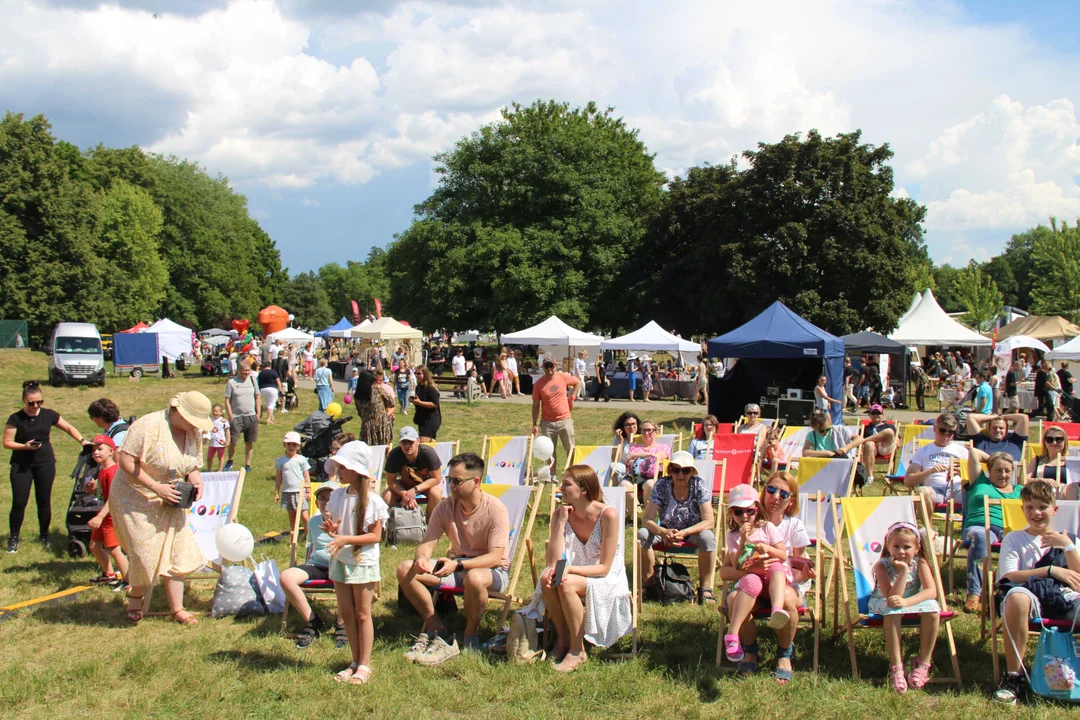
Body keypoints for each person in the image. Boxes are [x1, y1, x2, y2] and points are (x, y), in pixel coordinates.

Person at [396, 453, 510, 664]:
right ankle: (436, 629)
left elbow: (495, 557)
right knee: (405, 568)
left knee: (474, 578)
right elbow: (427, 542)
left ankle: (470, 635)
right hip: (456, 567)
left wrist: (458, 564)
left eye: (456, 481)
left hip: (491, 571)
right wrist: (422, 558)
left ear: (475, 482)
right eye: (449, 480)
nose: (451, 486)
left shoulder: (495, 509)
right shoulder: (445, 506)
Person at [112, 391, 213, 625]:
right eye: (191, 419)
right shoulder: (146, 425)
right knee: (143, 551)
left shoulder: (193, 433)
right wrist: (156, 487)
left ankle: (177, 608)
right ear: (176, 411)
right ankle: (135, 598)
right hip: (135, 495)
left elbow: (192, 466)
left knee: (176, 549)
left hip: (171, 495)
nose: (193, 426)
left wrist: (196, 481)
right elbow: (125, 462)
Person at [520, 464, 631, 672]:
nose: (560, 487)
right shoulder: (561, 514)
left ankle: (576, 650)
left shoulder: (608, 515)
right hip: (574, 571)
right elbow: (553, 561)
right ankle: (563, 638)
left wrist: (570, 571)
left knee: (566, 583)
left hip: (605, 576)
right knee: (547, 577)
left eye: (566, 484)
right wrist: (561, 522)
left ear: (584, 490)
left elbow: (605, 568)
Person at [992, 480, 1080, 704]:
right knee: (1017, 597)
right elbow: (1007, 577)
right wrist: (1051, 570)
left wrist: (1068, 546)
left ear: (1055, 509)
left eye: (1042, 507)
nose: (1036, 513)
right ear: (1022, 510)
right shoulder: (1014, 539)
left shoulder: (1069, 539)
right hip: (1029, 597)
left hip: (1063, 599)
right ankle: (1014, 677)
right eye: (1029, 507)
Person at [723, 472, 810, 682]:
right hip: (752, 582)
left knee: (787, 598)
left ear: (791, 501)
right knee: (734, 599)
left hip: (784, 583)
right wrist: (751, 568)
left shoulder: (789, 526)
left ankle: (784, 654)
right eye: (771, 489)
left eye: (783, 493)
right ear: (763, 494)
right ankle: (749, 649)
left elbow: (795, 561)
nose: (776, 496)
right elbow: (726, 570)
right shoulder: (738, 532)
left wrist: (804, 568)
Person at [323, 441, 388, 685]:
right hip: (341, 559)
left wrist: (345, 538)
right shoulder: (339, 495)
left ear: (357, 471)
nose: (339, 472)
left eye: (344, 468)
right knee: (346, 613)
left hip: (362, 561)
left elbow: (375, 536)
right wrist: (333, 530)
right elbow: (339, 527)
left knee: (363, 613)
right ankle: (354, 659)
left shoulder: (371, 500)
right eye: (338, 467)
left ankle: (365, 663)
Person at [4, 380, 89, 553]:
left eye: (39, 402)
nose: (35, 406)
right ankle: (13, 538)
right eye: (31, 403)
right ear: (24, 401)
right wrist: (24, 447)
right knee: (19, 501)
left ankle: (44, 535)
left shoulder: (48, 415)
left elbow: (67, 427)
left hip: (45, 463)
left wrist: (82, 440)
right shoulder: (15, 418)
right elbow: (7, 442)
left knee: (43, 500)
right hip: (22, 465)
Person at [868, 521, 942, 694]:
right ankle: (896, 667)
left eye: (907, 547)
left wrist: (908, 603)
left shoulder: (920, 563)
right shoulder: (881, 566)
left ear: (916, 549)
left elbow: (932, 591)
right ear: (888, 546)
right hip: (885, 601)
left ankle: (924, 662)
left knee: (933, 609)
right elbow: (892, 597)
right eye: (896, 546)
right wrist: (902, 572)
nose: (901, 551)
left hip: (910, 601)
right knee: (893, 610)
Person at [721, 484, 792, 662]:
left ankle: (776, 609)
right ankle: (733, 634)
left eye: (749, 511)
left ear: (757, 509)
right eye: (738, 512)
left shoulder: (767, 528)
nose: (745, 516)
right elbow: (737, 565)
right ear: (731, 513)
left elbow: (783, 555)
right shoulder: (733, 536)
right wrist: (743, 541)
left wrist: (768, 548)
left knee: (777, 567)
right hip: (751, 582)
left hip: (771, 579)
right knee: (751, 579)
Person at [638, 451, 717, 603]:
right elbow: (646, 519)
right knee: (642, 534)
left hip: (692, 532)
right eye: (676, 469)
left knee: (708, 537)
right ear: (670, 470)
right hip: (665, 532)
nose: (681, 474)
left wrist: (685, 532)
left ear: (692, 471)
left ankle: (705, 588)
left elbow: (709, 521)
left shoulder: (699, 485)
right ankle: (650, 585)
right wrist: (663, 532)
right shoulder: (661, 485)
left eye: (686, 470)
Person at [281, 482, 345, 649]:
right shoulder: (312, 522)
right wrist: (306, 563)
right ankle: (312, 621)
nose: (326, 502)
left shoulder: (345, 522)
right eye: (322, 499)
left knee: (341, 575)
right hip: (317, 565)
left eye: (330, 499)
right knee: (286, 577)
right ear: (316, 503)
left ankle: (342, 623)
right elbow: (311, 546)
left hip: (339, 564)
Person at [962, 450, 1022, 613]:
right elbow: (973, 452)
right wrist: (996, 458)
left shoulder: (1019, 491)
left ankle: (1008, 589)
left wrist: (1000, 461)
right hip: (980, 527)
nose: (1003, 474)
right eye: (998, 470)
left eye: (1008, 470)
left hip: (1009, 530)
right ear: (989, 470)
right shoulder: (980, 481)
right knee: (982, 536)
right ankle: (974, 594)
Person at [904, 413, 969, 518]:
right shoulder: (923, 451)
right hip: (933, 490)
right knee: (922, 492)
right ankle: (928, 531)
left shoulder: (962, 452)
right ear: (935, 429)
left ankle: (970, 528)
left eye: (951, 432)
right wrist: (930, 471)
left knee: (977, 493)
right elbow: (908, 480)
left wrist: (962, 472)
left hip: (956, 489)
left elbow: (974, 478)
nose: (946, 436)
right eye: (942, 431)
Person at [84, 434, 128, 589]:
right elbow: (103, 493)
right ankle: (109, 574)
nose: (96, 452)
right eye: (94, 450)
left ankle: (129, 581)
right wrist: (92, 489)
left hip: (110, 516)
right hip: (102, 515)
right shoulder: (102, 470)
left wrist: (101, 516)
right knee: (94, 546)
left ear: (111, 451)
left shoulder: (113, 471)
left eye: (100, 449)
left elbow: (114, 497)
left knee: (114, 550)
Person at [383, 426, 444, 522]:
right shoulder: (394, 455)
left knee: (435, 494)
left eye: (411, 442)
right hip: (407, 483)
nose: (407, 446)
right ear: (400, 443)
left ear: (418, 441)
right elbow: (391, 481)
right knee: (387, 496)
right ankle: (400, 525)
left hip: (428, 483)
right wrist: (406, 494)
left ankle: (430, 526)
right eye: (404, 442)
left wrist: (415, 490)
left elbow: (437, 478)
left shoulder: (428, 453)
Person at [531, 358, 580, 470]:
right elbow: (535, 405)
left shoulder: (563, 376)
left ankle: (572, 474)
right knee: (549, 452)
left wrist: (573, 395)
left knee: (571, 449)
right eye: (546, 366)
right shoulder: (538, 384)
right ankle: (552, 476)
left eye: (551, 366)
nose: (549, 369)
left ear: (556, 366)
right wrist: (534, 423)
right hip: (547, 423)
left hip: (565, 420)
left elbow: (578, 382)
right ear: (542, 367)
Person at [224, 359, 260, 473]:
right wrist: (231, 416)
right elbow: (227, 400)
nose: (247, 373)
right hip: (236, 416)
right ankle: (230, 461)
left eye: (248, 370)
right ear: (239, 370)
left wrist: (258, 414)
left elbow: (257, 397)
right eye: (245, 370)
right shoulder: (231, 382)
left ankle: (248, 464)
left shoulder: (253, 380)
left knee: (249, 441)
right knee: (233, 441)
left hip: (251, 415)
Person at [621, 420, 670, 498]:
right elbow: (629, 461)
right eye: (643, 430)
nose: (646, 433)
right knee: (623, 484)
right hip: (635, 477)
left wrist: (636, 455)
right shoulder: (635, 447)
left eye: (649, 430)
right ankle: (635, 507)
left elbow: (657, 456)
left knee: (650, 484)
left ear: (656, 432)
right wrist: (649, 456)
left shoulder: (663, 447)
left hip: (653, 477)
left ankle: (648, 509)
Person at [276, 431, 312, 533]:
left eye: (294, 444)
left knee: (305, 517)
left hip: (300, 492)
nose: (291, 446)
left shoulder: (302, 460)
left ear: (298, 446)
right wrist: (276, 492)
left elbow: (306, 477)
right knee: (292, 517)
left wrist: (308, 491)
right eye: (289, 444)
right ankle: (294, 537)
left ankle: (309, 536)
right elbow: (279, 478)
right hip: (287, 492)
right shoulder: (281, 461)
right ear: (285, 445)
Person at [965, 411, 1030, 461]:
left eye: (1001, 428)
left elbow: (1024, 418)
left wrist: (1003, 416)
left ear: (1006, 430)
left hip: (1011, 477)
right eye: (994, 428)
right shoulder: (980, 440)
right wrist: (992, 417)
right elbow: (971, 418)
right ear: (988, 429)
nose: (998, 430)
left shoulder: (1015, 441)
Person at [356, 369, 395, 446]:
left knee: (369, 451)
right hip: (381, 424)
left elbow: (360, 412)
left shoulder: (357, 395)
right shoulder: (376, 389)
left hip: (367, 426)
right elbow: (391, 402)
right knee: (382, 449)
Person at [860, 404, 897, 484]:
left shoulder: (889, 425)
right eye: (873, 413)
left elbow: (898, 441)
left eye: (878, 413)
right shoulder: (866, 428)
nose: (876, 415)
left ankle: (864, 440)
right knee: (869, 444)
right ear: (869, 415)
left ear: (883, 415)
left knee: (889, 431)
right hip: (871, 450)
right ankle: (870, 477)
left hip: (884, 448)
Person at [1033, 427, 1071, 492]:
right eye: (1049, 439)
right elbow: (1025, 480)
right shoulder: (1037, 460)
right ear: (1044, 442)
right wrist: (1040, 480)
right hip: (1042, 496)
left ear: (1065, 442)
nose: (1054, 442)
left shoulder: (1071, 461)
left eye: (1058, 439)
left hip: (1065, 497)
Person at [410, 366, 441, 442]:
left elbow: (435, 404)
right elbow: (420, 401)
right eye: (415, 373)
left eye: (419, 373)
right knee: (430, 444)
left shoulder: (430, 388)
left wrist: (419, 402)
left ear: (425, 374)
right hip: (422, 419)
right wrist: (414, 401)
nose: (416, 375)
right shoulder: (419, 387)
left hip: (431, 419)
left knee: (423, 444)